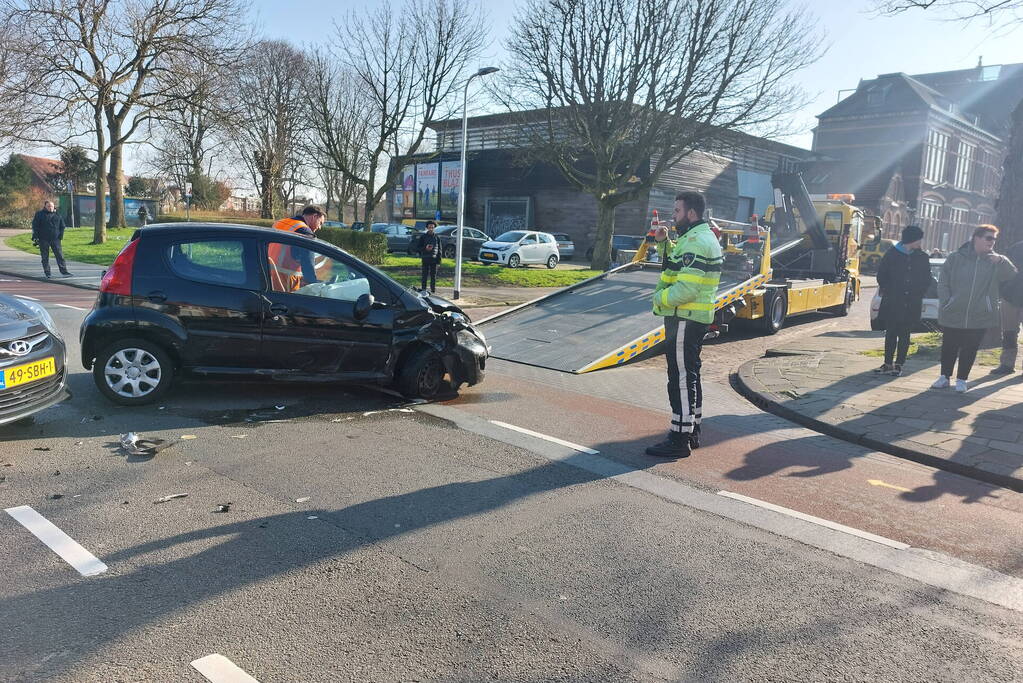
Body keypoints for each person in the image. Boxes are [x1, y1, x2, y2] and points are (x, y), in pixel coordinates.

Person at [645, 191, 723, 458]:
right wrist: (664, 243)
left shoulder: (696, 241)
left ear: (691, 213)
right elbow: (676, 264)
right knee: (690, 375)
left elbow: (686, 289)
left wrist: (658, 299)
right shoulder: (696, 236)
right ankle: (692, 431)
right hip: (692, 318)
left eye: (677, 211)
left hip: (684, 318)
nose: (673, 216)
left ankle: (679, 439)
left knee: (679, 379)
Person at [933, 224, 1017, 392]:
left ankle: (962, 380)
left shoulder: (995, 261)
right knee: (949, 346)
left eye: (994, 239)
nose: (992, 242)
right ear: (976, 238)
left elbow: (1011, 274)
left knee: (970, 348)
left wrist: (1002, 260)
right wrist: (947, 301)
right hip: (953, 310)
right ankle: (944, 377)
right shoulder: (955, 257)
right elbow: (943, 281)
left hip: (980, 314)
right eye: (988, 238)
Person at [873, 225, 935, 376]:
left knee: (905, 334)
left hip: (912, 302)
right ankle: (888, 363)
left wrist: (919, 292)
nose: (920, 243)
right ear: (912, 239)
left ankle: (899, 364)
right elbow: (882, 276)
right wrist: (891, 291)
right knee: (891, 333)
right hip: (893, 302)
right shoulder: (892, 254)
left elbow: (927, 279)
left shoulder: (922, 257)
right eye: (919, 239)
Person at [269, 205, 326, 291]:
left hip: (267, 274)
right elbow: (308, 263)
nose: (320, 227)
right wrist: (314, 285)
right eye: (320, 223)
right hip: (286, 280)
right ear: (314, 217)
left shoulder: (280, 222)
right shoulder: (305, 232)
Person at [991, 236, 1023, 375]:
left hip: (1010, 293)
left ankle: (1007, 364)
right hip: (1010, 295)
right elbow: (1001, 270)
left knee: (1009, 332)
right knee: (1009, 332)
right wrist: (1003, 289)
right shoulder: (1015, 248)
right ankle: (1006, 364)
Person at [31, 200, 72, 278]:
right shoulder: (39, 214)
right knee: (45, 257)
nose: (50, 208)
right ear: (45, 206)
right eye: (48, 206)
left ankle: (64, 272)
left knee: (60, 256)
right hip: (43, 239)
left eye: (52, 206)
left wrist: (60, 236)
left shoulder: (57, 215)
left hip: (55, 239)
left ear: (54, 207)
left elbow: (62, 226)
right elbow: (35, 226)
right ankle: (47, 273)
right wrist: (35, 237)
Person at [418, 220, 440, 293]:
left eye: (432, 227)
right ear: (427, 227)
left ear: (434, 228)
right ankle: (423, 290)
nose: (431, 229)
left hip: (434, 259)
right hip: (425, 258)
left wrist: (439, 260)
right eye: (429, 227)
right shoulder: (423, 237)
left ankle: (433, 290)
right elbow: (418, 247)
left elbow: (440, 249)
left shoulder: (437, 237)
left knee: (433, 276)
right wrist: (425, 248)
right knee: (424, 275)